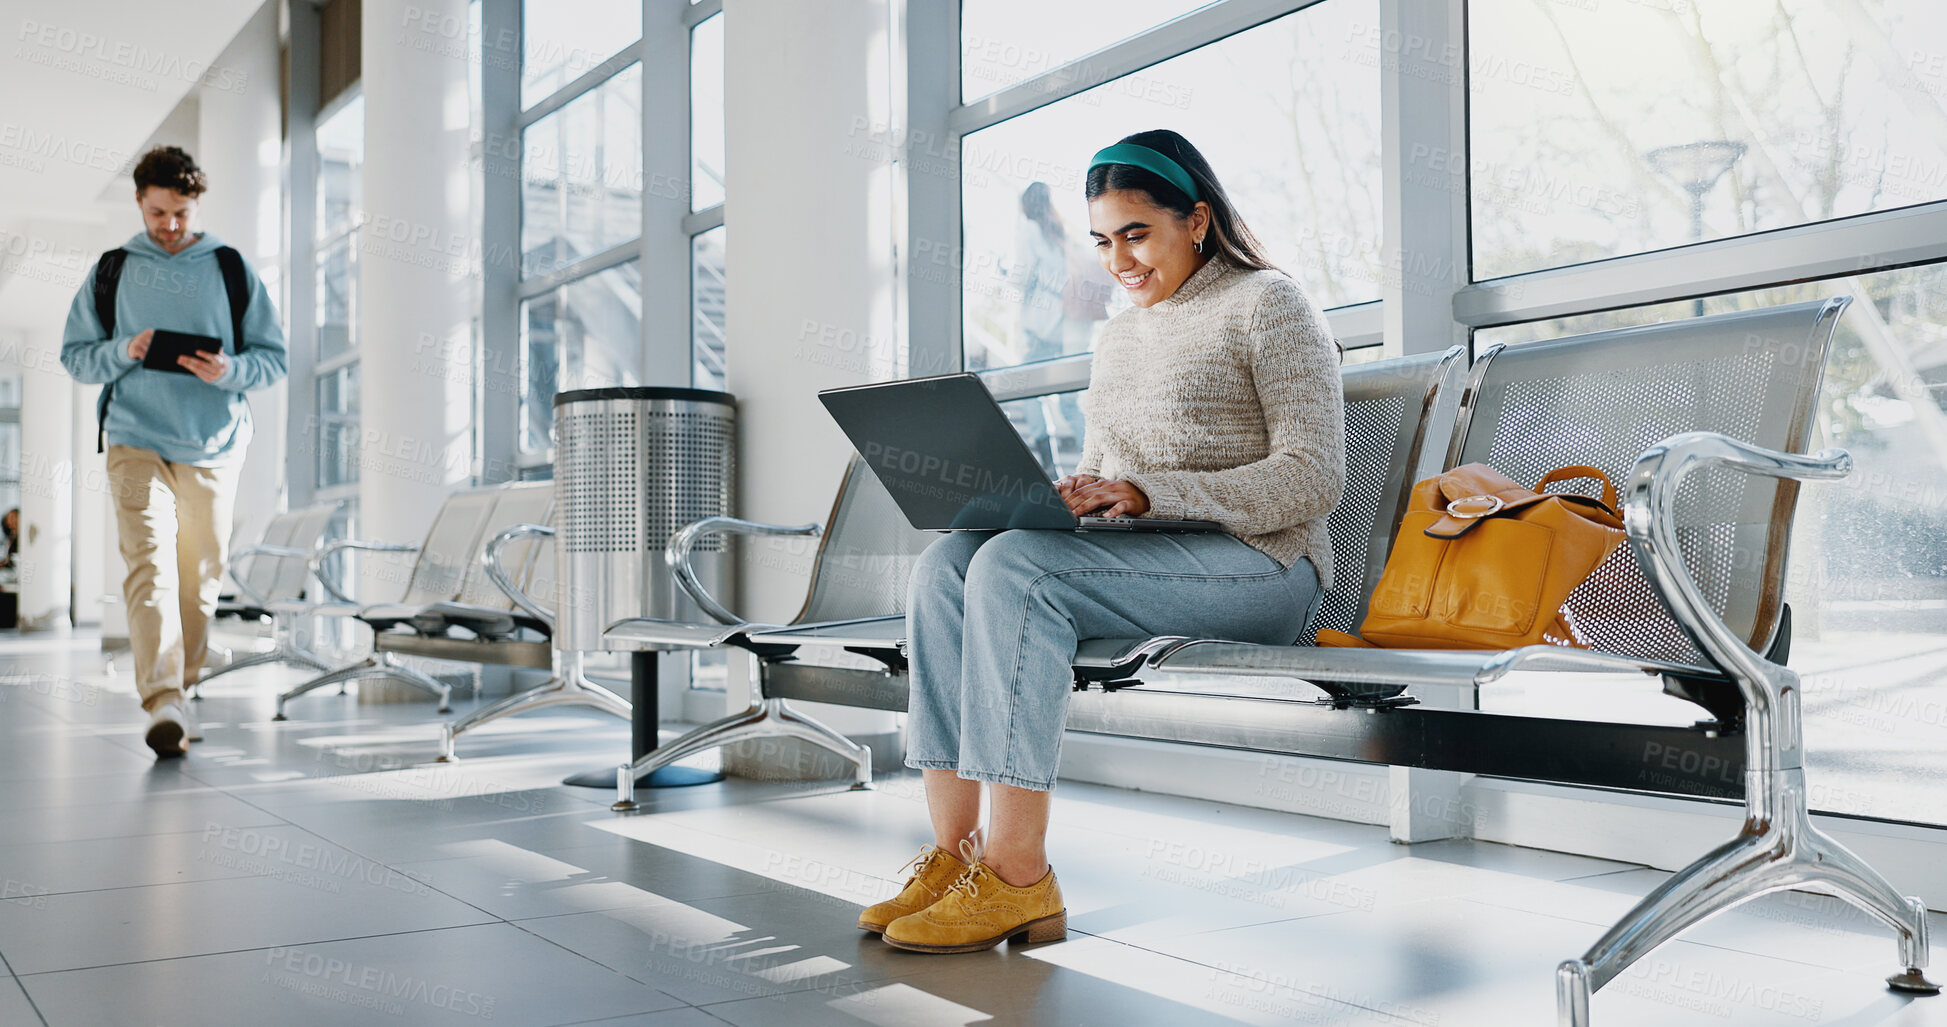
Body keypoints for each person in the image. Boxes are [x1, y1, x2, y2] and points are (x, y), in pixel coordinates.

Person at [860, 129, 1346, 953]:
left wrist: (1151, 492)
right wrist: (1068, 498)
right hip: (1152, 559)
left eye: (1134, 233)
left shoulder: (1267, 303)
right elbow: (1103, 470)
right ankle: (953, 857)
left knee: (1019, 571)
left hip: (1264, 567)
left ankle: (1016, 873)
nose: (1117, 258)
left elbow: (1310, 478)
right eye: (1101, 240)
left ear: (1194, 220)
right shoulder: (1117, 336)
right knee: (948, 564)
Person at [59, 146, 288, 759]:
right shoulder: (113, 270)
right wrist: (123, 352)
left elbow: (274, 359)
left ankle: (180, 692)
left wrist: (228, 369)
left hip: (214, 444)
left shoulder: (230, 268)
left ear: (195, 205)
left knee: (200, 580)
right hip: (135, 439)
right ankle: (161, 699)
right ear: (139, 201)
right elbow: (76, 355)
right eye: (160, 212)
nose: (171, 225)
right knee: (148, 567)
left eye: (182, 213)